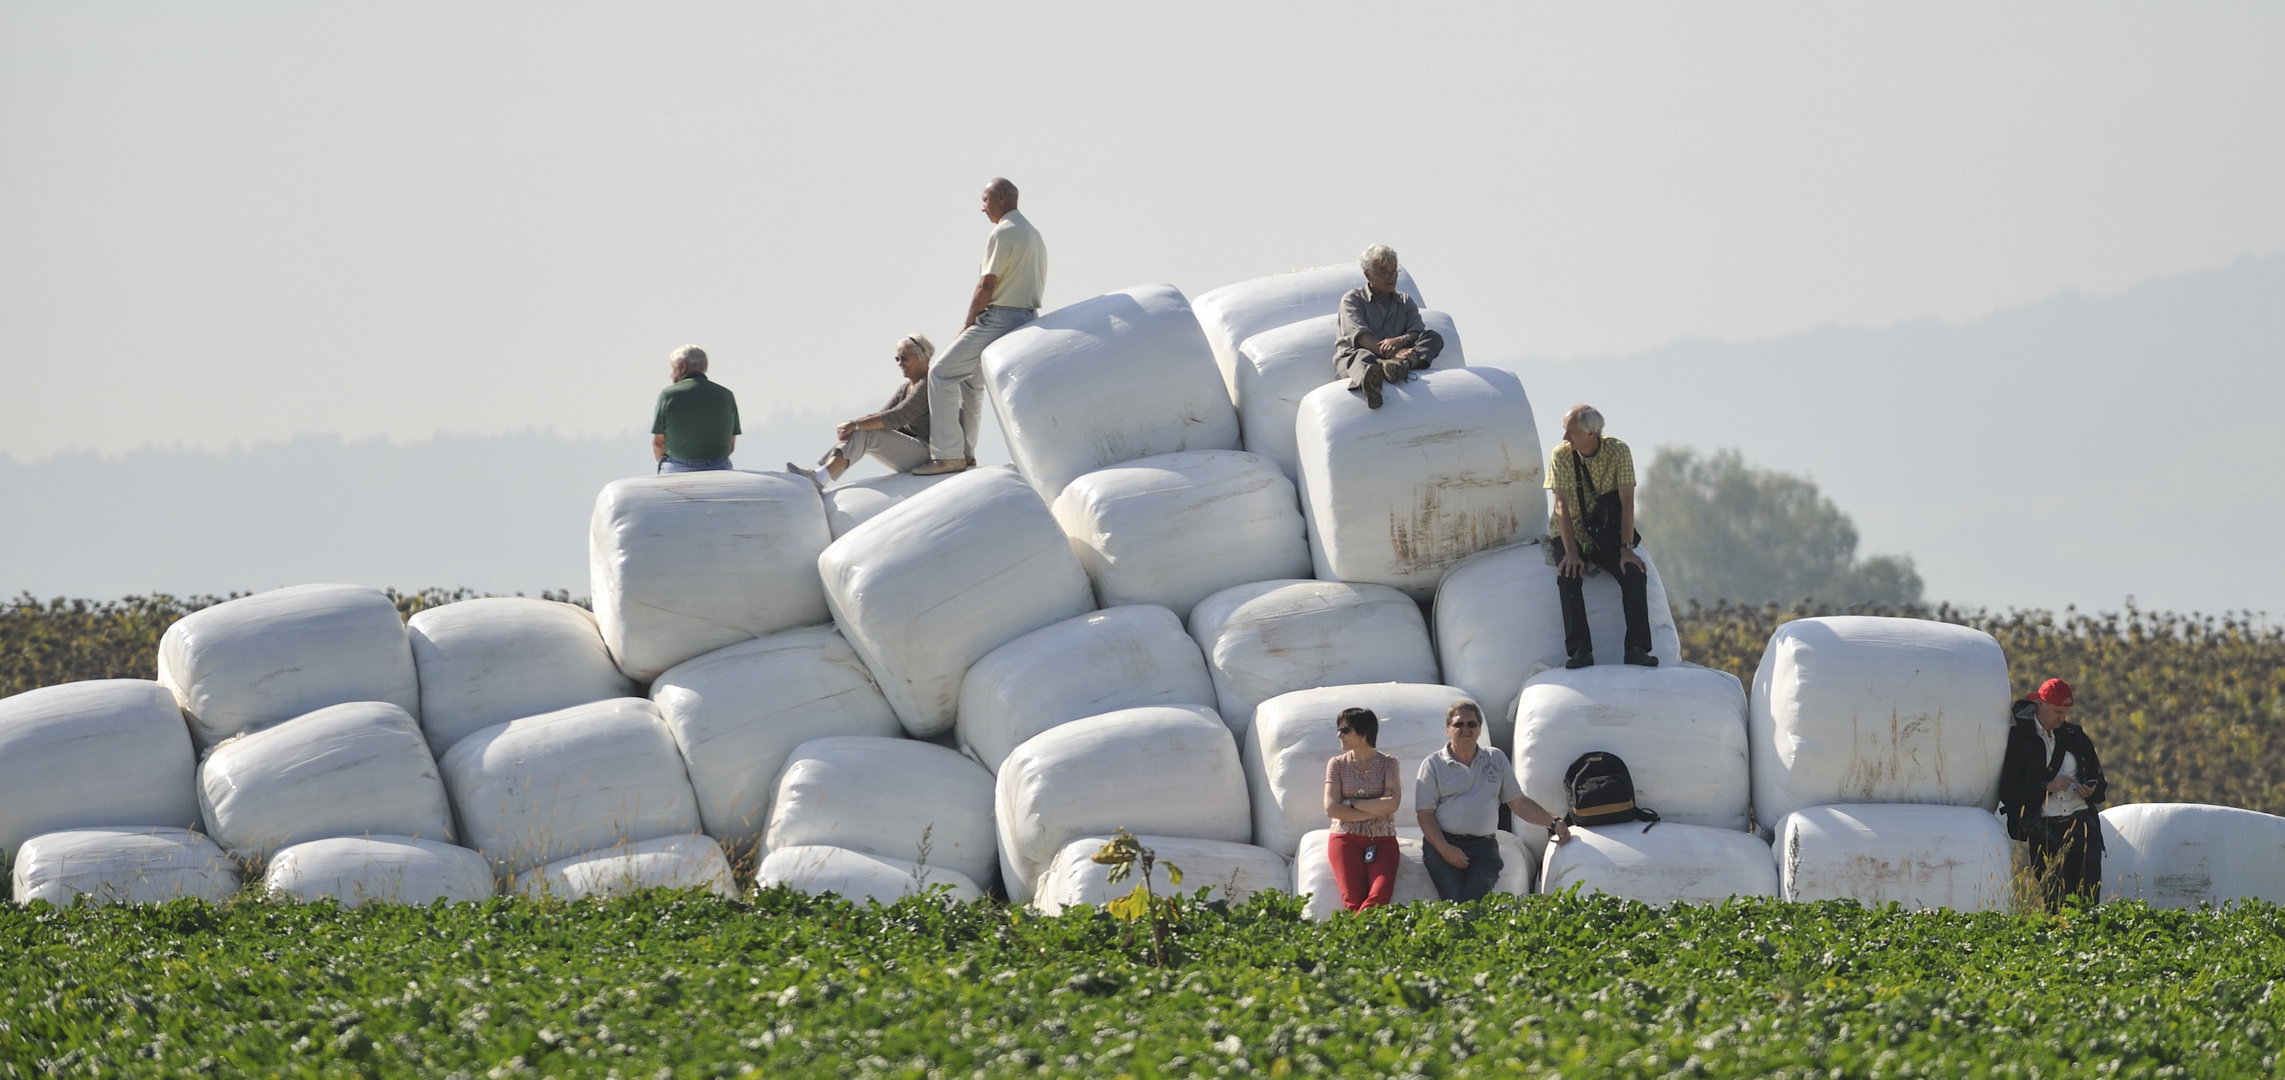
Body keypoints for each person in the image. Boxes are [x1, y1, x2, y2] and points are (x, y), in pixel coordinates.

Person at [912, 178, 1047, 476]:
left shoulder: (1002, 233)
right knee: (972, 382)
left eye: (985, 200)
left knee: (942, 374)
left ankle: (949, 456)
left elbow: (987, 284)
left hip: (999, 317)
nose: (982, 208)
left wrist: (968, 323)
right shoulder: (1033, 233)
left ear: (1001, 197)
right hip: (1027, 316)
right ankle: (967, 453)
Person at [1415, 702, 1572, 902]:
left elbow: (1518, 802)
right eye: (1459, 724)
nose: (1465, 729)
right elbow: (1424, 814)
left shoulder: (1495, 758)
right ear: (1448, 729)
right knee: (1455, 899)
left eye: (1471, 724)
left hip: (1484, 845)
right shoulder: (1433, 764)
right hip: (1443, 843)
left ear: (1479, 729)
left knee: (1475, 896)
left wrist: (1554, 821)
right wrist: (1445, 849)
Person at [1545, 404, 1656, 669]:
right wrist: (1571, 553)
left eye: (1570, 432)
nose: (1565, 438)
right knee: (1568, 575)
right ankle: (1580, 650)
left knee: (1634, 573)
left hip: (1605, 530)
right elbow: (1561, 507)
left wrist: (1626, 549)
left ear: (1591, 432)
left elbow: (1627, 502)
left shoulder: (1619, 451)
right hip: (1571, 530)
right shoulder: (1561, 455)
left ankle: (1636, 648)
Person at [1998, 678, 2108, 911]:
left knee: (2088, 902)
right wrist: (2045, 787)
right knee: (2056, 903)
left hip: (2082, 825)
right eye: (2057, 711)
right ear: (2040, 703)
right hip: (2044, 829)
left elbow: (2101, 786)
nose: (2062, 717)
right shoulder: (2019, 740)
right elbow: (2008, 792)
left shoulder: (2075, 735)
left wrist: (2090, 789)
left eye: (2066, 712)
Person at [790, 335, 936, 489]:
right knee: (863, 429)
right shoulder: (906, 388)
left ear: (922, 357)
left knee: (865, 430)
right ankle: (820, 474)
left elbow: (898, 416)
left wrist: (856, 425)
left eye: (904, 358)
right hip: (913, 449)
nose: (900, 363)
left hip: (925, 453)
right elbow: (882, 414)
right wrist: (854, 426)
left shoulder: (927, 384)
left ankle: (819, 478)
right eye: (897, 359)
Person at [1333, 245, 1444, 409]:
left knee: (1433, 337)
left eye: (1394, 271)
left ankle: (1402, 366)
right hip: (1362, 356)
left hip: (1397, 357)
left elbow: (1417, 329)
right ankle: (1371, 385)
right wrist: (1393, 351)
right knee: (1361, 357)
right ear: (1368, 274)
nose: (1391, 277)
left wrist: (1402, 341)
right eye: (1384, 272)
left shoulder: (1405, 300)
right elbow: (1362, 336)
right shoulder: (1352, 300)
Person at [1323, 706, 1403, 911]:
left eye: (1345, 730)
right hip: (1345, 838)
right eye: (1339, 729)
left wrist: (1351, 803)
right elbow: (1331, 808)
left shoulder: (1389, 763)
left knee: (1380, 894)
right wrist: (1376, 808)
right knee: (1352, 901)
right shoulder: (1337, 764)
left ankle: (1353, 937)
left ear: (1363, 733)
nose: (1338, 735)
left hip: (1382, 839)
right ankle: (1360, 940)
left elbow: (1392, 804)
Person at [651, 345, 739, 473]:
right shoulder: (726, 394)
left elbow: (659, 443)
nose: (671, 375)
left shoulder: (668, 395)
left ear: (683, 366)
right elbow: (731, 444)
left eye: (673, 368)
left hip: (678, 467)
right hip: (719, 466)